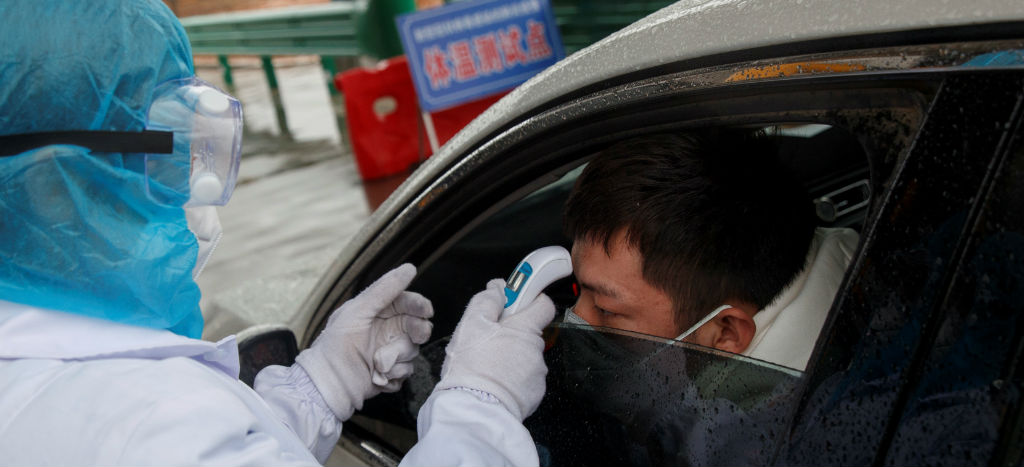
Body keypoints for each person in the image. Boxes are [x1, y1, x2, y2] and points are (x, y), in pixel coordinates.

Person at [0, 1, 433, 464]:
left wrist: (324, 384)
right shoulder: (146, 418)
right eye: (165, 146)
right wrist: (485, 399)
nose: (193, 182)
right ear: (52, 185)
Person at [562, 130, 859, 370]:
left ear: (726, 332)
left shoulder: (752, 436)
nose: (575, 316)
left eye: (604, 309)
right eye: (579, 291)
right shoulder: (858, 268)